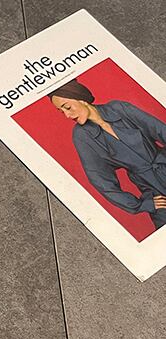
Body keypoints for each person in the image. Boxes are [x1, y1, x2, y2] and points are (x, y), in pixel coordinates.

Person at [50, 79, 166, 231]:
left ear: (81, 99)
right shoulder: (82, 136)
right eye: (61, 111)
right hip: (155, 192)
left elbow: (161, 131)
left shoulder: (119, 108)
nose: (67, 115)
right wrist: (141, 205)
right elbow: (100, 180)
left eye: (67, 107)